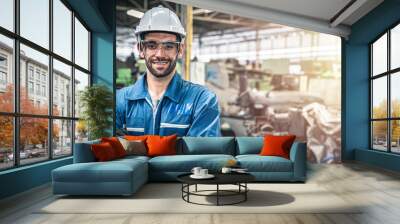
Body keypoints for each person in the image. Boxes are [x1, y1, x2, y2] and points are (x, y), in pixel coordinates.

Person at [116, 5, 220, 137]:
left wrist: (135, 146)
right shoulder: (121, 100)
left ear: (180, 50)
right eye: (152, 45)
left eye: (169, 46)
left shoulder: (202, 100)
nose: (160, 54)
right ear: (141, 49)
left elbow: (202, 154)